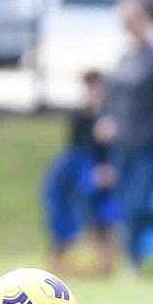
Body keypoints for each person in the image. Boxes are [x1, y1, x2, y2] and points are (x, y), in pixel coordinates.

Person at [103, 0, 153, 272]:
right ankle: (142, 256)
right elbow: (112, 99)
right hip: (122, 145)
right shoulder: (125, 57)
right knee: (128, 205)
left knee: (138, 203)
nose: (128, 24)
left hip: (150, 145)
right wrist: (105, 121)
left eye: (133, 18)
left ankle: (143, 258)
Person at [41, 69, 120, 277]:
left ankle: (105, 266)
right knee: (65, 218)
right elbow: (76, 149)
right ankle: (59, 266)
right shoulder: (81, 116)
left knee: (104, 219)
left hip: (103, 174)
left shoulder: (115, 115)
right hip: (79, 173)